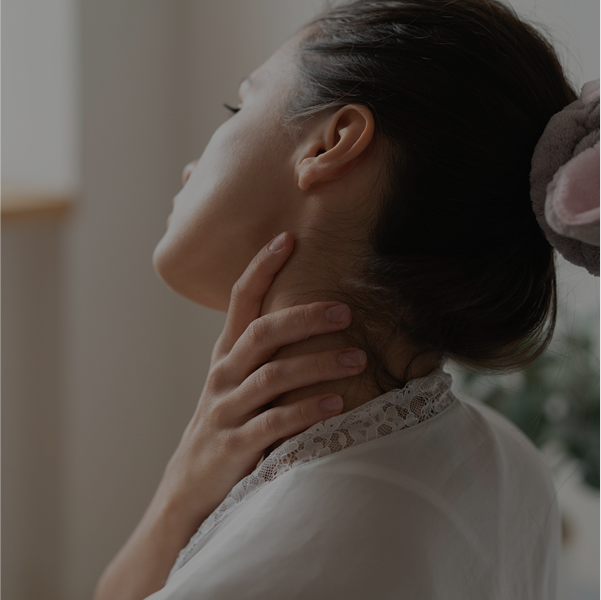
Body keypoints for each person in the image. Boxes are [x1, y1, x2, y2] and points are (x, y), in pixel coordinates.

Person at [93, 0, 590, 598]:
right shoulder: (512, 468)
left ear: (333, 143)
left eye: (238, 106)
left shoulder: (271, 574)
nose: (188, 166)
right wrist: (181, 495)